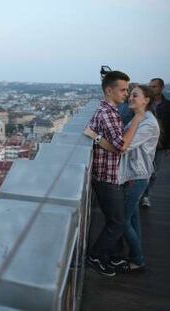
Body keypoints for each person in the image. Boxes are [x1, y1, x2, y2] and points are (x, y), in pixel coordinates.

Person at [86, 85, 160, 271]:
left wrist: (95, 137)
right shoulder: (139, 118)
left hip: (135, 176)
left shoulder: (147, 123)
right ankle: (131, 255)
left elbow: (123, 146)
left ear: (146, 100)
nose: (129, 97)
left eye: (135, 95)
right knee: (131, 219)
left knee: (121, 221)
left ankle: (136, 258)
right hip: (132, 175)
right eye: (129, 93)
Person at [85, 71, 143, 276]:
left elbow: (93, 134)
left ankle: (109, 256)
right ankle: (95, 256)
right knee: (118, 222)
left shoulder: (107, 110)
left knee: (115, 221)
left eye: (127, 90)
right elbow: (122, 145)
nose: (126, 94)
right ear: (109, 90)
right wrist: (138, 118)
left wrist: (100, 140)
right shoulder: (108, 113)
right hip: (106, 177)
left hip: (108, 174)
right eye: (123, 89)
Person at [139, 78, 170, 208]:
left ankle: (145, 195)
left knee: (154, 172)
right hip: (144, 144)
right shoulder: (144, 104)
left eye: (154, 86)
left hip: (160, 145)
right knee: (143, 170)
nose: (151, 88)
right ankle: (142, 195)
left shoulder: (168, 105)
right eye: (150, 86)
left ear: (161, 88)